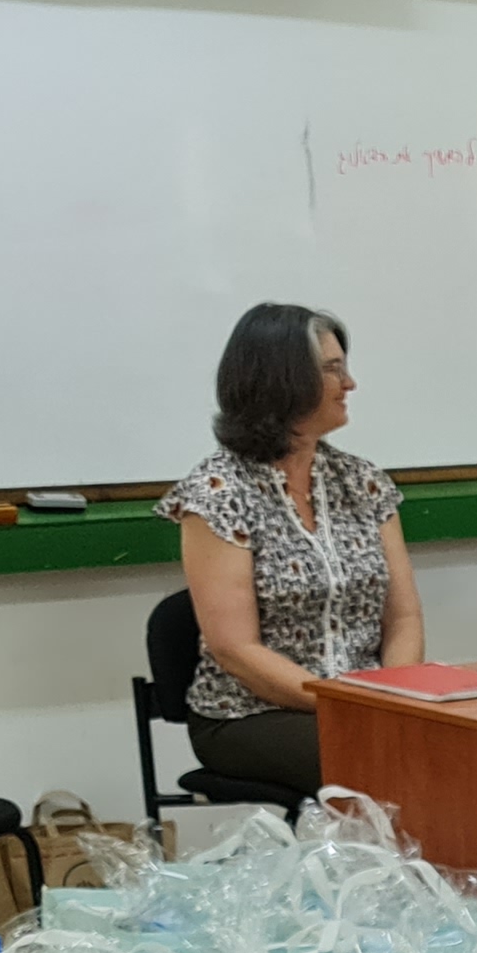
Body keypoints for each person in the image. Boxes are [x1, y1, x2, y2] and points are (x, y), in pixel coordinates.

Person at [163, 303, 424, 794]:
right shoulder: (218, 492)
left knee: (467, 743)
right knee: (386, 760)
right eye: (333, 369)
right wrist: (350, 702)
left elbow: (404, 618)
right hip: (251, 715)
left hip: (366, 704)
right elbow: (235, 649)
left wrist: (397, 696)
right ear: (285, 378)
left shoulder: (363, 481)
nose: (349, 384)